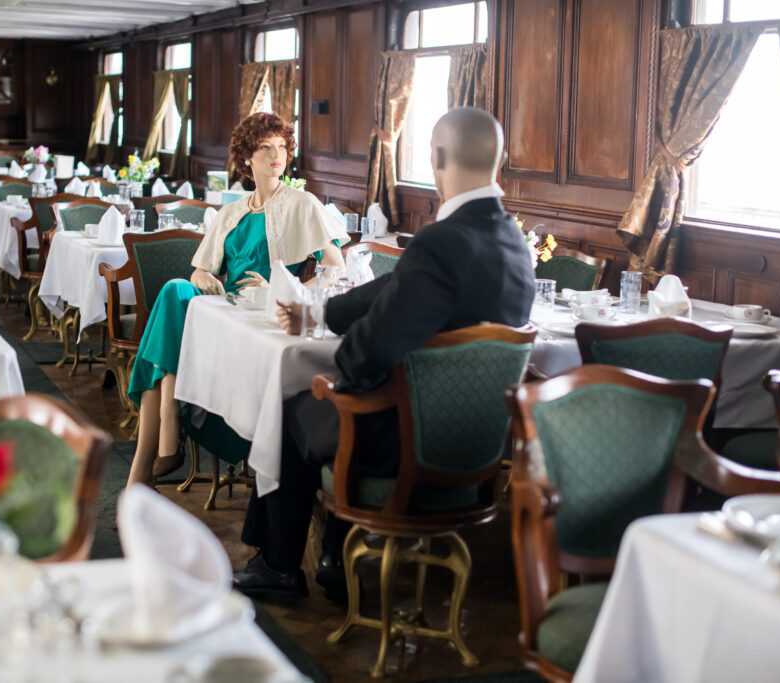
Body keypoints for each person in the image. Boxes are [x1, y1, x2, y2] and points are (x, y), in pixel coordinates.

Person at [234, 106, 536, 601]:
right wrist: (321, 313)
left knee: (292, 406)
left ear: (437, 159)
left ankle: (280, 566)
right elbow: (397, 289)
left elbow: (367, 354)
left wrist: (337, 375)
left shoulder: (441, 242)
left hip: (411, 441)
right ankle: (333, 552)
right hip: (478, 443)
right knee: (326, 406)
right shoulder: (513, 242)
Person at [125, 112, 348, 488]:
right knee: (177, 288)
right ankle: (164, 426)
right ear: (247, 157)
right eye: (265, 147)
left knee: (159, 360)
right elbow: (198, 272)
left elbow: (336, 268)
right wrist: (205, 277)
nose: (277, 155)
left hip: (259, 320)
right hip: (221, 313)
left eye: (282, 146)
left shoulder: (302, 204)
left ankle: (144, 468)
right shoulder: (231, 212)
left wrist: (286, 286)